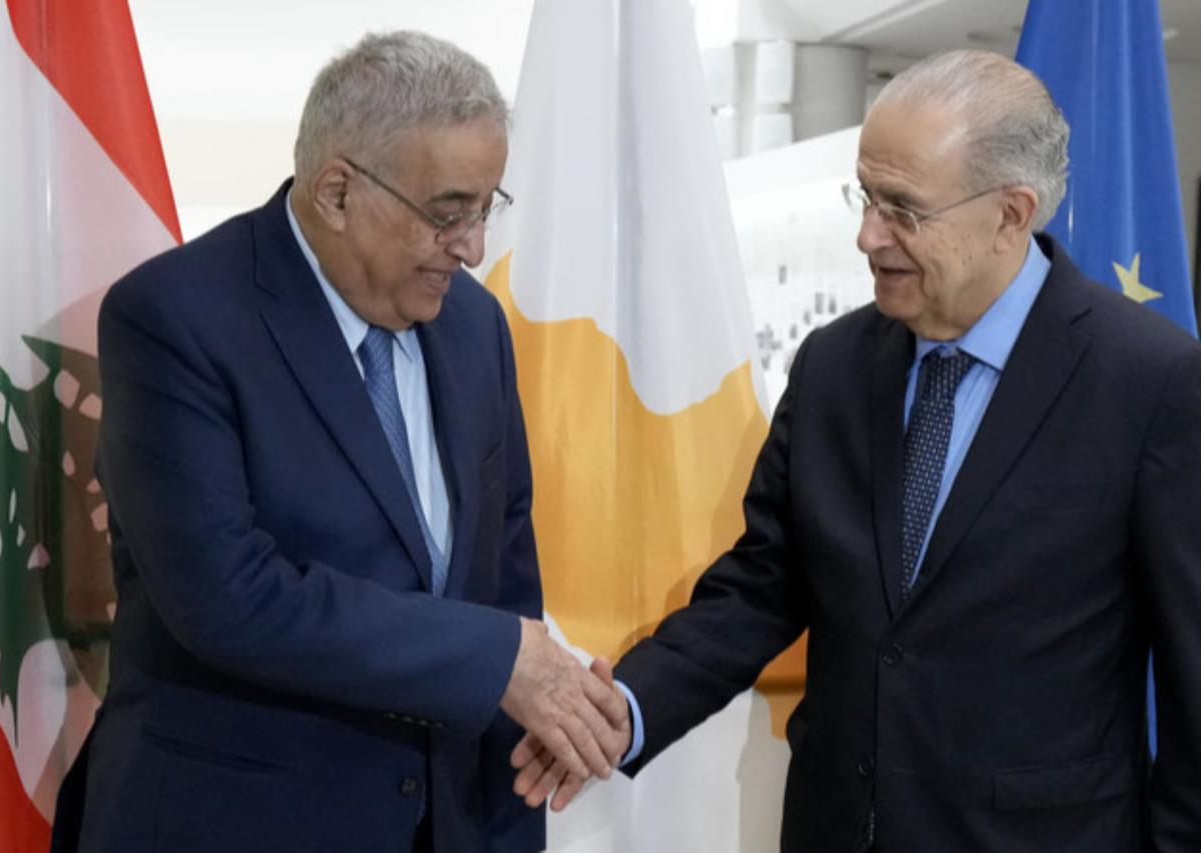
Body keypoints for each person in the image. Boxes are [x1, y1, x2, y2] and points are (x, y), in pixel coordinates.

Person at [511, 49, 1201, 851]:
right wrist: (621, 711)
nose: (868, 235)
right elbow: (761, 588)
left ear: (1012, 213)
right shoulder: (833, 363)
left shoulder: (1150, 382)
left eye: (903, 209)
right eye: (867, 196)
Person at [52, 31, 628, 853]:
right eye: (448, 212)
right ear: (336, 191)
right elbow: (230, 597)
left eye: (487, 207)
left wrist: (532, 739)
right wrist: (501, 658)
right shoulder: (174, 318)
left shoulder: (473, 327)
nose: (472, 248)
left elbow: (503, 569)